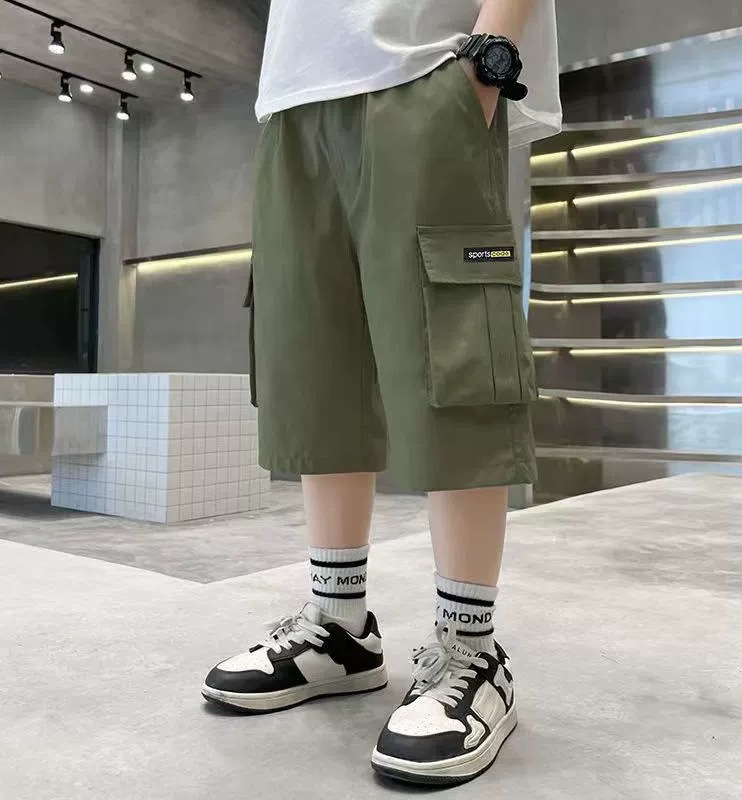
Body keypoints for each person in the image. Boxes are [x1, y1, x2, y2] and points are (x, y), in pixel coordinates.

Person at [202, 0, 561, 786]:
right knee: (313, 364)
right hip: (295, 98)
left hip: (424, 69)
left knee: (454, 354)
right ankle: (339, 627)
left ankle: (471, 648)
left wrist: (487, 58)